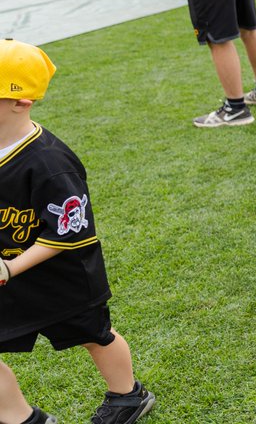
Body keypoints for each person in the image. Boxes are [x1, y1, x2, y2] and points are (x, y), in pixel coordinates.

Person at [0, 40, 157, 424]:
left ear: (21, 102)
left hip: (61, 280)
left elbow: (69, 233)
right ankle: (22, 418)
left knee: (96, 335)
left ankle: (128, 397)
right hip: (8, 277)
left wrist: (8, 269)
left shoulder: (50, 163)